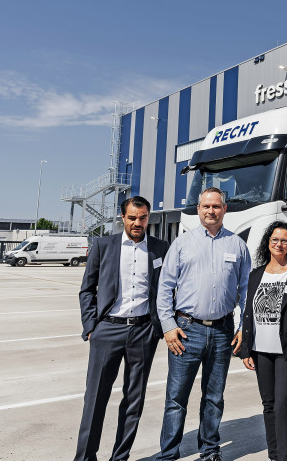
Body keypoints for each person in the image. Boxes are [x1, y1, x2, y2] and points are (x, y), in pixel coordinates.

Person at [155, 187, 251, 461]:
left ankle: (209, 450)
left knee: (214, 397)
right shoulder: (182, 244)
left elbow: (246, 291)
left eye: (216, 206)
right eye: (206, 206)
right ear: (198, 209)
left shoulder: (237, 245)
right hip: (186, 331)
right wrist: (168, 325)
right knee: (176, 399)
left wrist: (244, 327)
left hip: (222, 332)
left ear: (225, 210)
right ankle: (169, 454)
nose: (211, 211)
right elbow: (165, 287)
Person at [75, 196, 170, 461]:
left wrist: (159, 327)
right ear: (122, 217)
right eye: (132, 218)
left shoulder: (161, 248)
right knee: (95, 398)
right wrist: (91, 326)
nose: (137, 223)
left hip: (143, 332)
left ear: (148, 218)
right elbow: (87, 289)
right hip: (107, 330)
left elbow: (167, 289)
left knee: (133, 400)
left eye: (142, 218)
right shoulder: (104, 246)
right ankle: (84, 457)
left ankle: (120, 457)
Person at [240, 221, 287, 461]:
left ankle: (285, 458)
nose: (279, 244)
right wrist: (245, 350)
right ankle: (274, 455)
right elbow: (248, 313)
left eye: (284, 240)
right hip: (260, 351)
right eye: (275, 240)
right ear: (267, 243)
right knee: (269, 405)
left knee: (283, 405)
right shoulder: (255, 275)